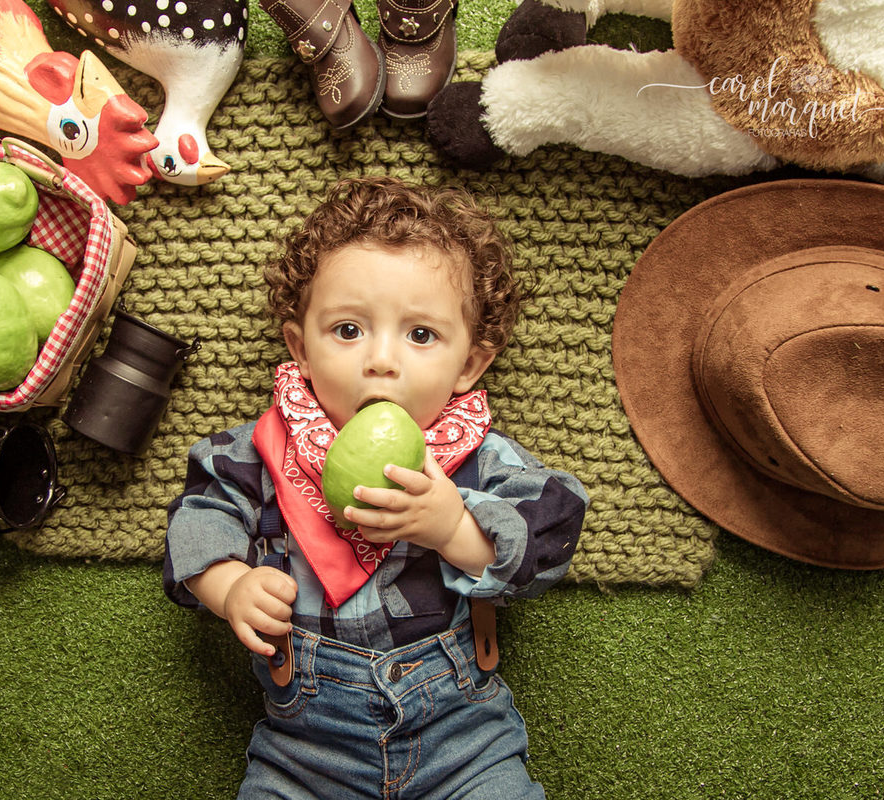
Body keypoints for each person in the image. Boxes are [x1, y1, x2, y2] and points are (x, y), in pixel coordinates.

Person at [163, 176, 589, 798]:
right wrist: (230, 587)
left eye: (421, 335)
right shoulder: (260, 449)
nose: (381, 360)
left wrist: (454, 528)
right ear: (299, 347)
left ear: (469, 363)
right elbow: (197, 517)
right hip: (305, 755)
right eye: (347, 330)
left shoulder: (478, 457)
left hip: (463, 743)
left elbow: (553, 532)